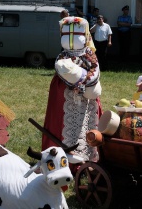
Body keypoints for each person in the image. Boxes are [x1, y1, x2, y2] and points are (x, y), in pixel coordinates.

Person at [42, 16, 102, 174]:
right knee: (61, 121)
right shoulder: (63, 56)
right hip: (64, 92)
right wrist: (74, 84)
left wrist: (84, 82)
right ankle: (61, 159)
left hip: (87, 94)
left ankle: (87, 156)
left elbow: (95, 70)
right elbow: (59, 69)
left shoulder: (88, 53)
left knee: (87, 121)